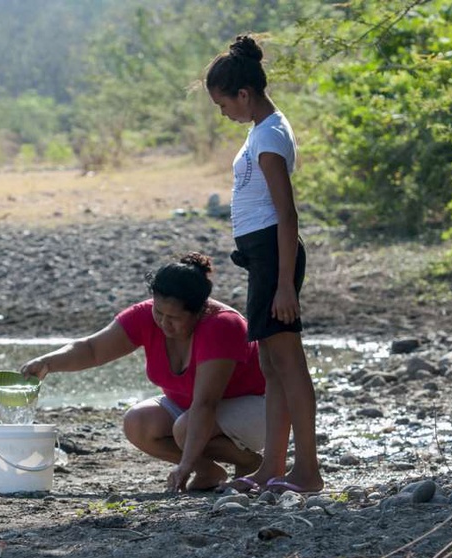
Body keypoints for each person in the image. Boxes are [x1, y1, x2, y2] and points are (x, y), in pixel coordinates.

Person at [20, 252, 266, 492]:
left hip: (257, 408)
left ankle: (249, 462)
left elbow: (206, 404)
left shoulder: (222, 326)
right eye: (158, 312)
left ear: (199, 311)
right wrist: (48, 362)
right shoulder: (145, 316)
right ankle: (209, 471)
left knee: (185, 428)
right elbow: (93, 349)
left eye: (174, 317)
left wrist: (185, 464)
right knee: (138, 422)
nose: (163, 322)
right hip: (194, 411)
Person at [205, 34, 324, 494]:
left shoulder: (271, 134)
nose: (224, 114)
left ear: (244, 94)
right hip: (262, 256)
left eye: (224, 104)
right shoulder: (260, 130)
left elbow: (286, 213)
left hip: (276, 256)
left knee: (289, 364)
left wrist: (285, 287)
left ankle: (308, 470)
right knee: (273, 366)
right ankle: (273, 465)